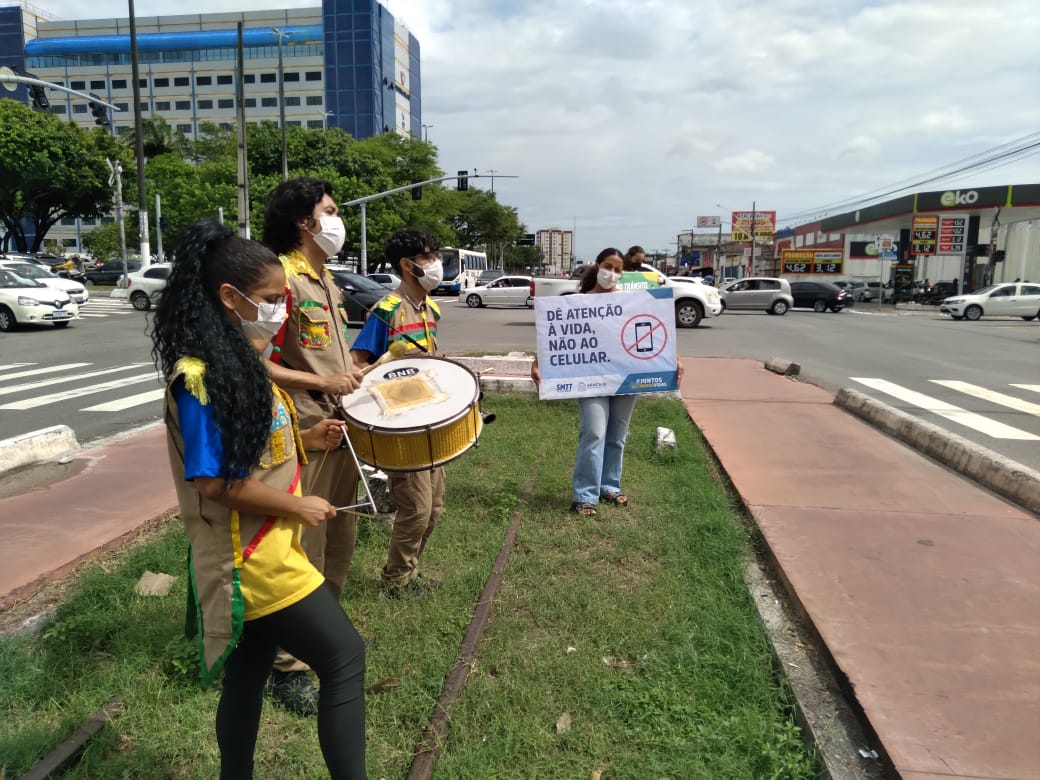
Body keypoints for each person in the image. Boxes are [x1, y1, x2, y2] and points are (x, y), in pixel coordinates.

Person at [151, 221, 367, 779]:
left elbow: (260, 451)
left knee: (247, 676)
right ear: (230, 297)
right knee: (345, 659)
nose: (279, 311)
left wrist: (310, 440)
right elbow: (215, 483)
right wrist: (299, 506)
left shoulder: (242, 363)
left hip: (270, 547)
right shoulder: (197, 379)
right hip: (250, 560)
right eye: (271, 300)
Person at [260, 176, 365, 715]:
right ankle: (286, 664)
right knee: (302, 547)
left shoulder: (326, 281)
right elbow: (259, 360)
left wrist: (356, 372)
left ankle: (323, 637)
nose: (336, 219)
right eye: (329, 210)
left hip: (341, 426)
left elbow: (330, 358)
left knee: (341, 533)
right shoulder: (282, 280)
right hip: (304, 433)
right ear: (305, 222)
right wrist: (324, 384)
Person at [350, 229, 444, 598]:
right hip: (402, 427)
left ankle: (409, 572)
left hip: (431, 422)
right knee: (417, 509)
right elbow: (358, 366)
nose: (436, 263)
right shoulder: (386, 312)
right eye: (428, 256)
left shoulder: (431, 309)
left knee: (434, 508)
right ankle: (395, 582)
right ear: (408, 265)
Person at [531, 248, 643, 517]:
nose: (612, 273)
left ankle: (609, 486)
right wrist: (538, 361)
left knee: (618, 435)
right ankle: (585, 494)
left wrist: (673, 359)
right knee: (594, 432)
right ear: (597, 265)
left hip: (626, 375)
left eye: (618, 269)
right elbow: (557, 335)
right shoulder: (576, 302)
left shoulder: (631, 301)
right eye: (608, 266)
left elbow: (650, 327)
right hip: (590, 378)